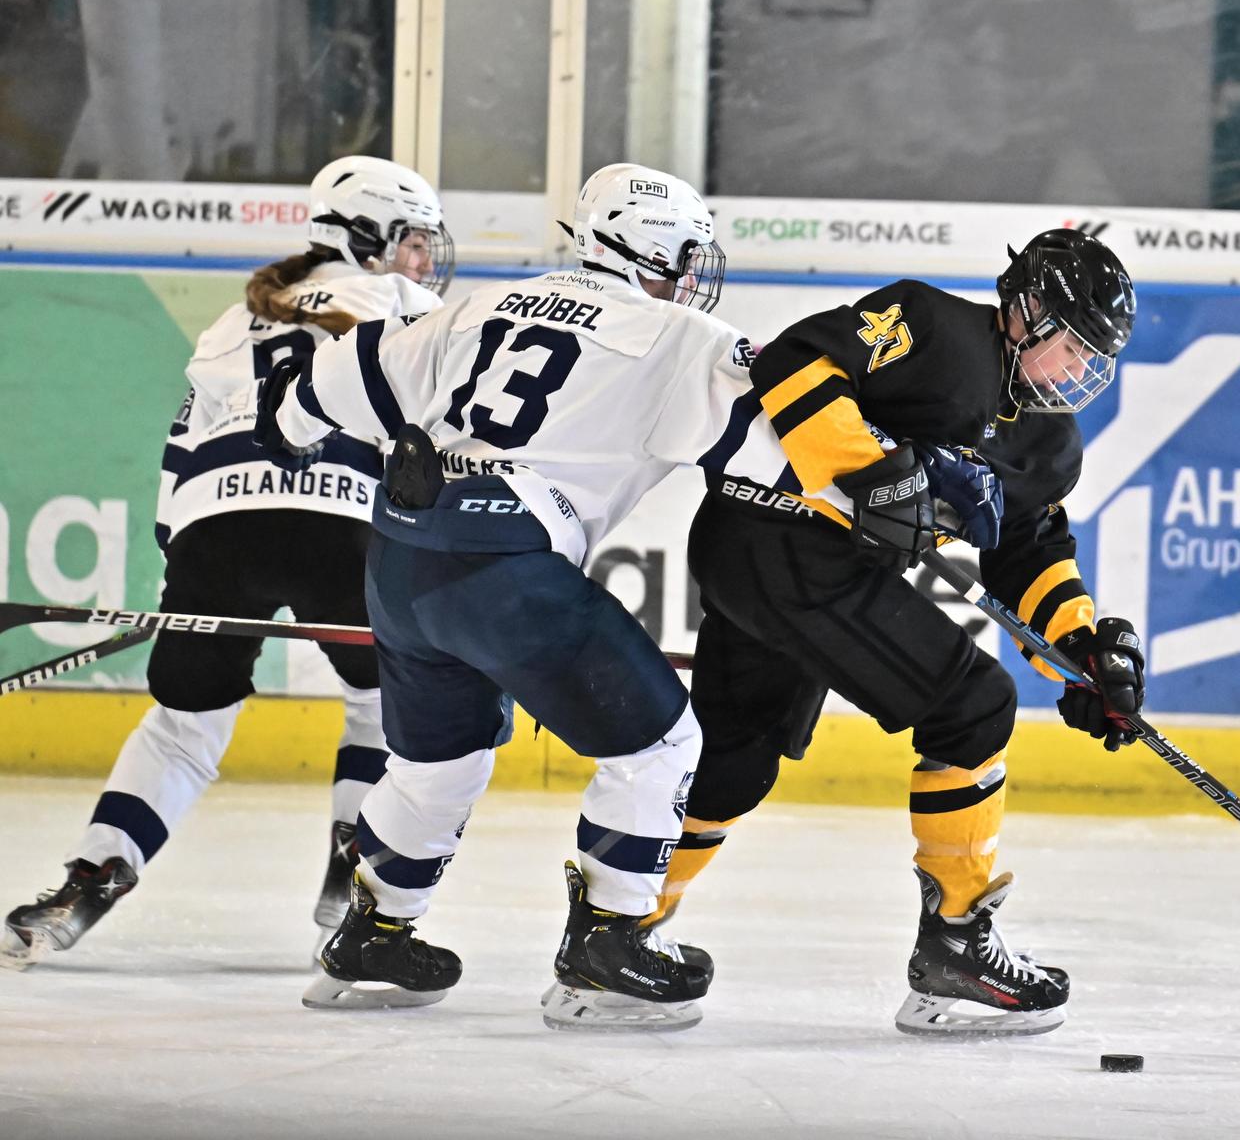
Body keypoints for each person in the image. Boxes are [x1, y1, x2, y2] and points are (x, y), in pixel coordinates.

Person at [257, 162, 747, 1031]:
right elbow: (792, 443)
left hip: (401, 566)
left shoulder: (477, 305)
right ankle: (610, 942)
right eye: (683, 257)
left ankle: (373, 935)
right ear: (653, 253)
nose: (688, 277)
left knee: (436, 763)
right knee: (662, 741)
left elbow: (333, 376)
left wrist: (289, 430)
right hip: (507, 570)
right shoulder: (682, 335)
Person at [666, 227, 1144, 1036]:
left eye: (1090, 356)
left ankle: (616, 928)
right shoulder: (933, 327)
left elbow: (1027, 549)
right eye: (1069, 343)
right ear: (1026, 307)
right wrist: (877, 474)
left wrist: (1082, 651)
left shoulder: (1048, 443)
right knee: (973, 706)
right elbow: (795, 363)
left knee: (735, 761)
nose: (1075, 369)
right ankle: (956, 945)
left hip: (783, 568)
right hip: (780, 537)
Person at [3, 156, 454, 966]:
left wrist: (185, 567)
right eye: (414, 241)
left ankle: (89, 880)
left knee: (183, 725)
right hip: (342, 527)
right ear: (367, 237)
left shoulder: (237, 314)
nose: (423, 261)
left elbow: (181, 450)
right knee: (385, 702)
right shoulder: (405, 306)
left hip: (217, 529)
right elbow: (436, 440)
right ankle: (353, 878)